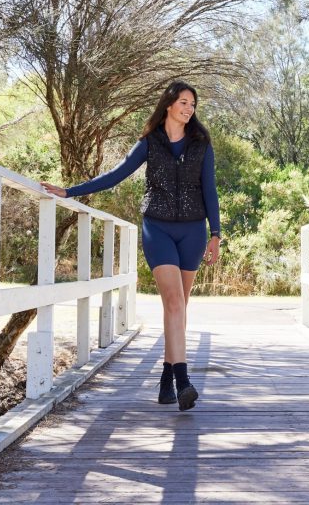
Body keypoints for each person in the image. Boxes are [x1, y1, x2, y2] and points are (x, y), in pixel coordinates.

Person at [41, 81, 221, 412]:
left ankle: (166, 379)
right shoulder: (150, 143)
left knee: (178, 308)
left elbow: (209, 190)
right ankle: (183, 381)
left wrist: (216, 234)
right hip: (158, 228)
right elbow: (116, 174)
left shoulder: (201, 144)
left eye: (192, 104)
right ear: (169, 104)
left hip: (194, 231)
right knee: (174, 302)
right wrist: (70, 191)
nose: (189, 108)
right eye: (183, 102)